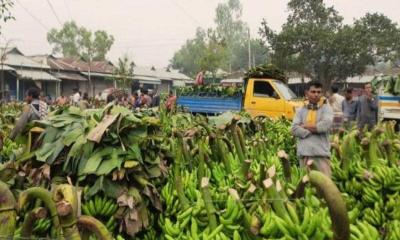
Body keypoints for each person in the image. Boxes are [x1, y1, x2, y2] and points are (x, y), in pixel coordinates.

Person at [291, 81, 333, 177]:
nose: (316, 95)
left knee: (324, 188)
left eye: (319, 92)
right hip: (305, 154)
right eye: (313, 92)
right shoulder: (301, 109)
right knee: (306, 186)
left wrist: (304, 126)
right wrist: (313, 130)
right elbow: (294, 129)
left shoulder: (326, 108)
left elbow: (325, 126)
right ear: (307, 93)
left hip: (321, 154)